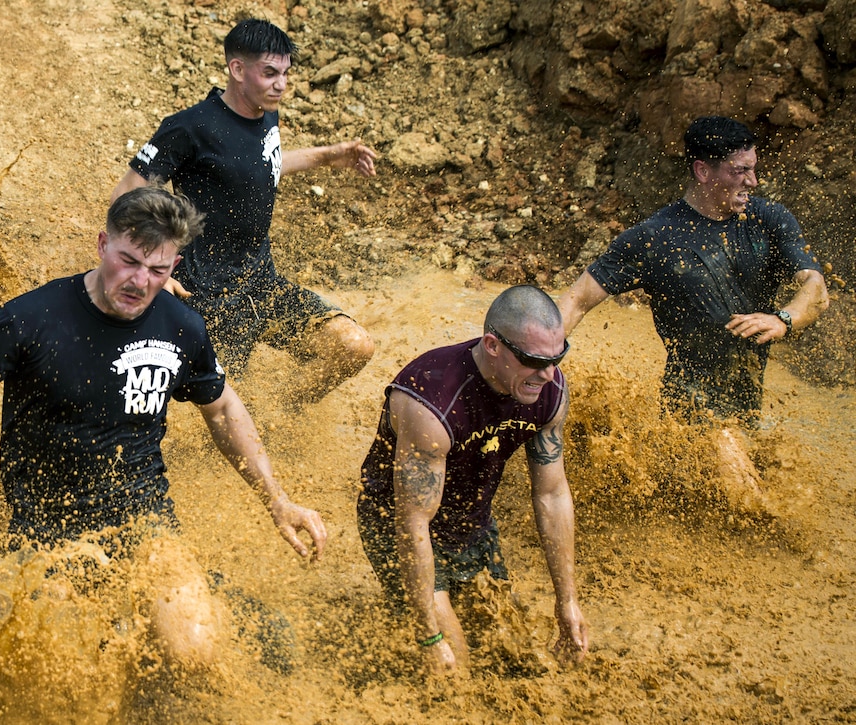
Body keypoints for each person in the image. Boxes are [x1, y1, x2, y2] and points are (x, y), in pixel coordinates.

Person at [0, 186, 327, 671]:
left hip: (143, 518)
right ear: (102, 245)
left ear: (174, 267)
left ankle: (217, 600)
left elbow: (222, 409)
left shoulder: (182, 326)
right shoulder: (32, 317)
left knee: (191, 656)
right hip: (41, 529)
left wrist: (276, 498)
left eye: (158, 270)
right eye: (129, 261)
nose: (140, 281)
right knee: (24, 664)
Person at [557, 116, 829, 510]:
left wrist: (783, 319)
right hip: (691, 404)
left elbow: (816, 290)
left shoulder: (768, 220)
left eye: (753, 169)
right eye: (740, 172)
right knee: (754, 508)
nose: (752, 182)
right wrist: (529, 359)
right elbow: (576, 300)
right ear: (703, 170)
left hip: (747, 401)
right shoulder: (654, 238)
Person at [111, 18, 377, 409]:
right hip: (202, 298)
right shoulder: (190, 128)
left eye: (286, 73)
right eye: (270, 73)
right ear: (237, 69)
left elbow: (255, 167)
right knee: (206, 406)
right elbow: (125, 197)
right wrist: (150, 271)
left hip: (259, 287)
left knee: (353, 346)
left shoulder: (266, 113)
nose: (281, 84)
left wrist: (327, 156)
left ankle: (280, 416)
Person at [357, 285, 589, 676]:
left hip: (473, 524)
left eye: (557, 357)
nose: (548, 374)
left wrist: (567, 602)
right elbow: (412, 523)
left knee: (511, 657)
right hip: (399, 524)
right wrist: (429, 637)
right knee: (455, 668)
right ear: (493, 346)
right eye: (533, 360)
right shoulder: (431, 401)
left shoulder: (550, 391)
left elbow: (551, 494)